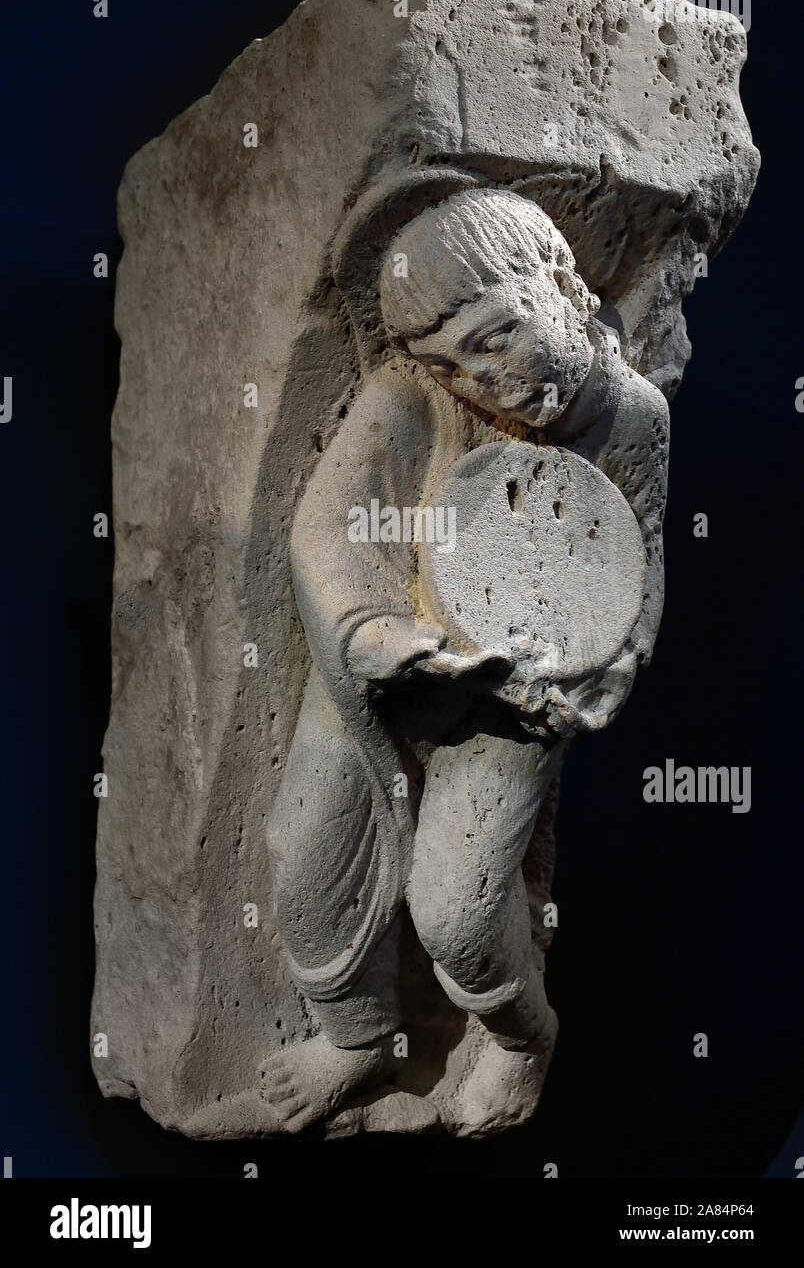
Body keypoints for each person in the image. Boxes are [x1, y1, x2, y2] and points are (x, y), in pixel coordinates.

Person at [262, 189, 669, 1133]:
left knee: (458, 913)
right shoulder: (413, 399)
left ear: (561, 283)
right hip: (389, 656)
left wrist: (606, 670)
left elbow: (638, 559)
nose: (482, 380)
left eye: (496, 338)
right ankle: (354, 1036)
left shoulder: (635, 420)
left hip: (515, 691)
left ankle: (525, 1037)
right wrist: (381, 642)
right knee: (302, 852)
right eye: (453, 363)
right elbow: (324, 533)